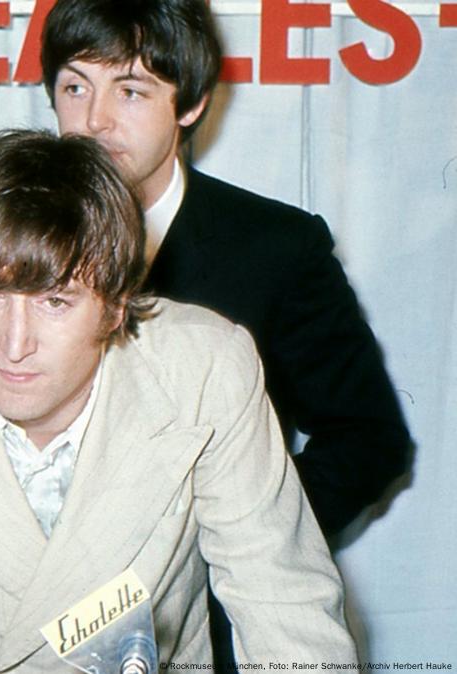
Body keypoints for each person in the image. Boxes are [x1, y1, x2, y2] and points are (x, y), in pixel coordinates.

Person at [0, 130, 356, 670]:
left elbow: (282, 601)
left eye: (55, 302)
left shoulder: (205, 368)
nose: (14, 344)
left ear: (115, 305)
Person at [39, 0, 411, 665]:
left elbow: (367, 439)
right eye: (73, 86)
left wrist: (238, 538)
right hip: (34, 618)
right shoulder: (7, 238)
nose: (92, 121)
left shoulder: (275, 248)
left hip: (211, 633)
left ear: (189, 104)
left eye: (128, 90)